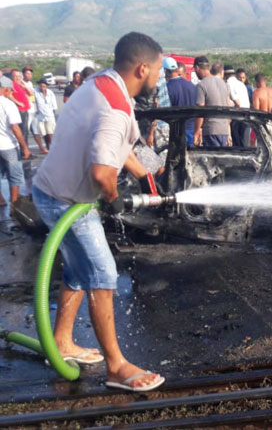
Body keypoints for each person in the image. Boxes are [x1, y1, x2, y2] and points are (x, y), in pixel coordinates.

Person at [31, 32, 165, 392]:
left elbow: (112, 146)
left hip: (52, 190)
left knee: (77, 270)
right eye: (158, 71)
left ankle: (60, 342)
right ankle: (117, 367)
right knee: (103, 273)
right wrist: (114, 196)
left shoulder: (101, 82)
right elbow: (102, 172)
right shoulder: (117, 110)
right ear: (142, 68)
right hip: (67, 201)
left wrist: (145, 176)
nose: (159, 78)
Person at [0, 76, 31, 209]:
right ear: (5, 89)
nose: (12, 93)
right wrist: (24, 146)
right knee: (15, 176)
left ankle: (1, 199)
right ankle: (14, 204)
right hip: (8, 146)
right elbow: (15, 127)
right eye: (11, 91)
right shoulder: (8, 104)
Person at [194, 60, 232, 147]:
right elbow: (229, 107)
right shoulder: (224, 84)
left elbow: (200, 111)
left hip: (211, 130)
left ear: (197, 68)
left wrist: (196, 132)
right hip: (224, 130)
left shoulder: (202, 85)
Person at [166, 59, 198, 145]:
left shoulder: (167, 87)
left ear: (166, 71)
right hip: (191, 127)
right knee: (190, 155)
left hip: (175, 129)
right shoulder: (192, 86)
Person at [225, 65, 251, 147]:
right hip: (247, 115)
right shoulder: (241, 84)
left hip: (238, 117)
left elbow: (237, 103)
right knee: (245, 143)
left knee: (237, 145)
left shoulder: (229, 83)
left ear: (225, 75)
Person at [33, 79, 58, 149]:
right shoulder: (35, 92)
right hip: (40, 116)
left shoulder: (50, 93)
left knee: (50, 132)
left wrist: (53, 115)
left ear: (46, 86)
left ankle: (52, 146)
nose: (42, 88)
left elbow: (54, 105)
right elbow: (33, 101)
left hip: (50, 115)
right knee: (44, 133)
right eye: (41, 86)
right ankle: (47, 145)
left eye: (44, 86)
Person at [9, 69, 32, 146]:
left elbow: (31, 94)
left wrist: (24, 86)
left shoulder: (20, 85)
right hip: (20, 110)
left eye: (19, 76)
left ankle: (25, 149)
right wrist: (18, 102)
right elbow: (9, 95)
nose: (17, 78)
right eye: (15, 76)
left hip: (25, 110)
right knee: (22, 131)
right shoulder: (11, 84)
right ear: (12, 77)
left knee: (25, 131)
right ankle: (24, 151)